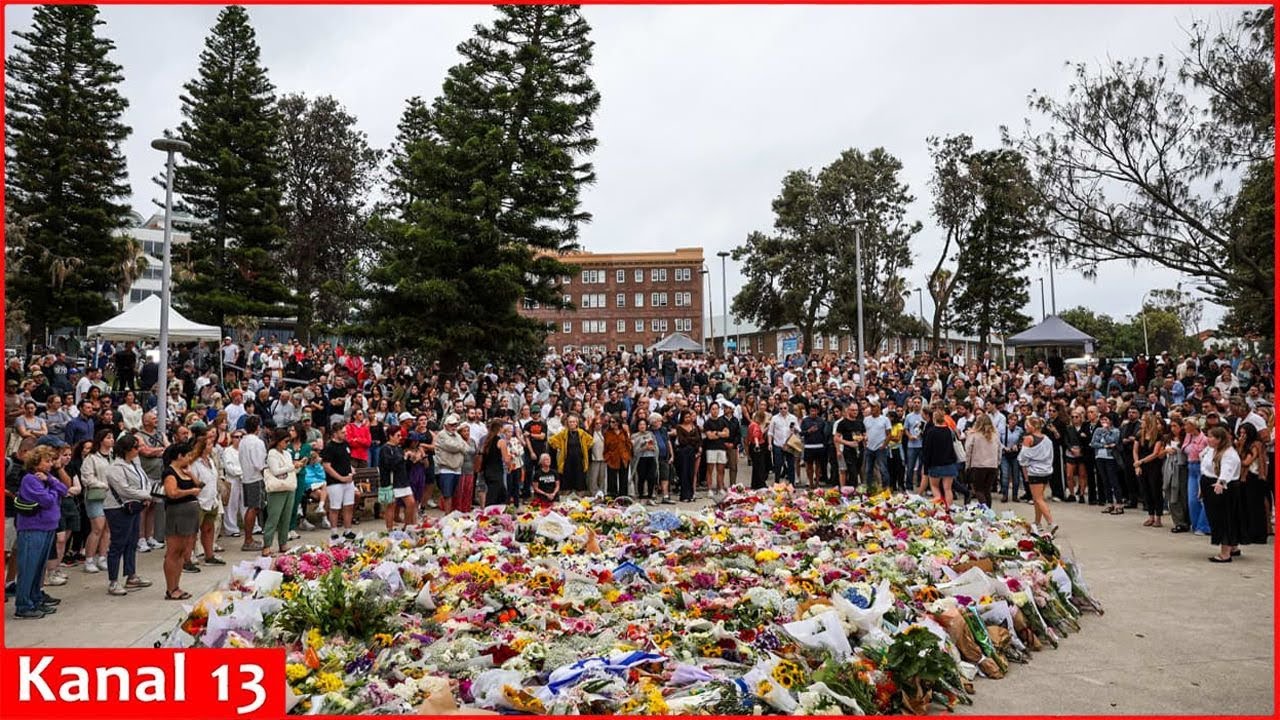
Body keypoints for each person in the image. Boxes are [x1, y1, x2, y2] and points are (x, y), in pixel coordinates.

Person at [12, 445, 67, 619]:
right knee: (29, 568)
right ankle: (23, 605)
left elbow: (64, 490)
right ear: (36, 463)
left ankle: (35, 599)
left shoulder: (46, 478)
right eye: (47, 461)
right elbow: (47, 500)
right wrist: (53, 488)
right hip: (33, 528)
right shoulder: (30, 479)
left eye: (51, 461)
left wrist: (50, 481)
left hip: (47, 527)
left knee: (38, 568)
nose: (51, 464)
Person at [102, 433, 154, 596]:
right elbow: (123, 489)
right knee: (118, 543)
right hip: (117, 508)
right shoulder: (115, 468)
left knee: (132, 541)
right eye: (136, 447)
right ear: (126, 449)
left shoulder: (135, 464)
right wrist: (145, 495)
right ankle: (113, 580)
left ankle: (131, 574)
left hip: (134, 506)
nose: (139, 450)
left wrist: (145, 494)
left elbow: (144, 481)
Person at [161, 438, 204, 599]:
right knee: (174, 551)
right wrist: (190, 492)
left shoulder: (184, 471)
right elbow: (172, 493)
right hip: (177, 513)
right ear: (179, 456)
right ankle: (171, 588)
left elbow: (199, 485)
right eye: (187, 455)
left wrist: (191, 475)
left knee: (182, 552)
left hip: (189, 513)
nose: (189, 459)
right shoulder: (170, 473)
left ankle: (176, 585)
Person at [1201, 426, 1242, 563]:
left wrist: (1220, 482)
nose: (1208, 439)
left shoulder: (1229, 453)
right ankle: (1233, 547)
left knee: (1224, 519)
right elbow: (1204, 466)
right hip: (1209, 484)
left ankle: (1225, 553)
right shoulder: (1211, 449)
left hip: (1222, 487)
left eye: (1211, 437)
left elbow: (1227, 470)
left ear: (1219, 439)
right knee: (1218, 518)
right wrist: (1202, 487)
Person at [78, 429, 115, 574]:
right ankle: (89, 559)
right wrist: (102, 485)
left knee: (108, 528)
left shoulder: (113, 456)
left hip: (111, 497)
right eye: (108, 437)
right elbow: (87, 478)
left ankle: (102, 557)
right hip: (96, 495)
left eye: (112, 437)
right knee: (97, 528)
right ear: (101, 440)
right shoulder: (91, 458)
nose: (111, 440)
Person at [191, 429, 225, 566]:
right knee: (193, 531)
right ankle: (190, 555)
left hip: (212, 499)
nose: (212, 447)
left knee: (209, 528)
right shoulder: (195, 463)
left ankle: (209, 555)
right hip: (200, 500)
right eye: (210, 445)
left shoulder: (210, 461)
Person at [261, 428, 298, 556]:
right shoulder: (272, 453)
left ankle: (283, 543)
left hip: (289, 486)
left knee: (286, 517)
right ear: (278, 441)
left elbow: (289, 470)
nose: (287, 444)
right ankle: (267, 544)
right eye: (286, 441)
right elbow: (276, 471)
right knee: (274, 517)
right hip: (276, 489)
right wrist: (293, 466)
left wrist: (297, 466)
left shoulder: (287, 454)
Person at [1018, 416, 1056, 534]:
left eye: (1027, 425)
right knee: (1037, 498)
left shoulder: (1028, 439)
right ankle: (1037, 522)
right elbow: (1050, 455)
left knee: (1038, 499)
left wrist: (1025, 468)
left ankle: (1051, 522)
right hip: (1046, 471)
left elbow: (1023, 456)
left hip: (1035, 472)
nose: (1025, 427)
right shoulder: (1047, 439)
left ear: (1033, 427)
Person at [321, 421, 357, 540]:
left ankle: (348, 530)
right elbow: (327, 466)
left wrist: (351, 469)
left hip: (348, 480)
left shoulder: (345, 444)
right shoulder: (329, 447)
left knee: (349, 506)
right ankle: (334, 532)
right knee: (335, 507)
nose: (345, 434)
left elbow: (346, 460)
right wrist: (340, 478)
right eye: (342, 432)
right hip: (335, 482)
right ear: (335, 433)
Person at [237, 415, 267, 552]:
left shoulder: (243, 441)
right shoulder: (257, 442)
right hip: (255, 478)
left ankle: (249, 538)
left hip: (247, 476)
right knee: (253, 508)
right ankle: (248, 540)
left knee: (252, 508)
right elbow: (259, 463)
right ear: (257, 428)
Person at [1236, 423, 1268, 545]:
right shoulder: (1244, 445)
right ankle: (1248, 532)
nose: (1242, 436)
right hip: (1244, 478)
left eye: (1244, 433)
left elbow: (1246, 462)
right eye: (1240, 433)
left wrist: (1240, 448)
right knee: (1245, 506)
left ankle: (1258, 534)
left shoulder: (1255, 445)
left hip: (1253, 478)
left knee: (1255, 507)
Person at [921, 410, 960, 509]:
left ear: (934, 419)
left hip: (935, 464)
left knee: (935, 487)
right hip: (949, 463)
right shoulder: (949, 431)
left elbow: (927, 450)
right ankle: (949, 508)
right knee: (948, 489)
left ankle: (939, 505)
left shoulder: (931, 432)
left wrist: (926, 466)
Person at [1133, 413, 1166, 528]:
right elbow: (1135, 450)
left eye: (1143, 420)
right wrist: (1137, 464)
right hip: (1142, 465)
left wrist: (1141, 462)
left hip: (1153, 466)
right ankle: (1151, 515)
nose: (1141, 422)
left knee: (1155, 491)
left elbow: (1155, 453)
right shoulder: (1139, 434)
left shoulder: (1158, 436)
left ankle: (1158, 517)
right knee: (1145, 490)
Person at [548, 414, 592, 496]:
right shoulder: (563, 433)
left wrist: (585, 448)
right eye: (570, 422)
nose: (572, 423)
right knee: (567, 477)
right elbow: (551, 440)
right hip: (567, 459)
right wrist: (559, 446)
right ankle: (566, 496)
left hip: (579, 459)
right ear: (567, 423)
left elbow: (591, 441)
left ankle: (579, 496)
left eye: (573, 422)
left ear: (577, 423)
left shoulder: (582, 433)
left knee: (579, 477)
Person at [380, 429, 415, 529]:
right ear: (391, 436)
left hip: (402, 480)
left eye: (400, 436)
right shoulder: (385, 449)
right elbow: (389, 464)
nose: (400, 438)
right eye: (398, 435)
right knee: (391, 506)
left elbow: (404, 464)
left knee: (411, 503)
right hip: (391, 481)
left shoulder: (398, 448)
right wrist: (403, 458)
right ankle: (389, 530)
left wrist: (410, 459)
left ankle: (407, 526)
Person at [963, 414, 1000, 507]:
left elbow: (968, 451)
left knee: (978, 490)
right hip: (992, 465)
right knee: (987, 490)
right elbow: (999, 450)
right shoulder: (995, 436)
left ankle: (985, 509)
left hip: (978, 465)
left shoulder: (973, 435)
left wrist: (967, 465)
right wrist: (997, 463)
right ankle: (989, 510)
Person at [432, 414, 467, 514]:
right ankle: (447, 514)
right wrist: (460, 447)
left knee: (454, 493)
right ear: (446, 425)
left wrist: (459, 447)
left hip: (457, 468)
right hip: (446, 468)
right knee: (447, 494)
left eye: (455, 425)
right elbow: (452, 446)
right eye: (451, 425)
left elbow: (466, 448)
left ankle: (452, 514)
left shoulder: (457, 435)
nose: (454, 427)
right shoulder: (442, 435)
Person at [1182, 418, 1211, 535]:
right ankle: (1195, 524)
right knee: (1192, 499)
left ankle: (1203, 526)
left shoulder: (1204, 439)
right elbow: (1184, 448)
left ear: (1194, 426)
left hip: (1201, 467)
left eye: (1187, 425)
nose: (1185, 427)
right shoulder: (1188, 437)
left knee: (1203, 498)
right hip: (1191, 467)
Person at [1091, 414, 1124, 515]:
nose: (1103, 422)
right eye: (1102, 420)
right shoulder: (1098, 430)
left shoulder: (1115, 431)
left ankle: (1119, 504)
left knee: (1113, 480)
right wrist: (1105, 446)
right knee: (1105, 481)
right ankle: (1110, 503)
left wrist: (1106, 432)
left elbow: (1113, 441)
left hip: (1110, 458)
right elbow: (1093, 443)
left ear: (1110, 421)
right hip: (1099, 457)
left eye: (1105, 419)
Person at [862, 401, 892, 492]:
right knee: (868, 470)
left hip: (880, 448)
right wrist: (865, 443)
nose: (872, 408)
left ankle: (886, 489)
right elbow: (864, 432)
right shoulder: (866, 419)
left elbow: (889, 434)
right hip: (869, 448)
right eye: (871, 407)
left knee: (883, 469)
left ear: (878, 408)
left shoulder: (885, 419)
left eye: (874, 406)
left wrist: (884, 445)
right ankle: (869, 489)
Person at [701, 403, 730, 497]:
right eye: (713, 409)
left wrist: (716, 433)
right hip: (711, 448)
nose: (715, 411)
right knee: (710, 469)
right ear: (710, 410)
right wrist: (720, 434)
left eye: (716, 409)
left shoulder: (723, 421)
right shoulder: (707, 423)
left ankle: (720, 488)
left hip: (721, 447)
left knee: (721, 469)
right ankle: (710, 489)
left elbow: (727, 434)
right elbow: (710, 436)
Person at [674, 410, 702, 502]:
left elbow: (698, 439)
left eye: (689, 417)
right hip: (683, 453)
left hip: (692, 452)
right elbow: (682, 441)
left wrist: (690, 440)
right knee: (684, 473)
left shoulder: (695, 427)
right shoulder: (679, 427)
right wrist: (692, 440)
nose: (688, 419)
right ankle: (684, 495)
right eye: (686, 417)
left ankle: (691, 494)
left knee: (691, 473)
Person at [602, 415, 633, 499]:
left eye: (614, 422)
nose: (612, 424)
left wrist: (628, 455)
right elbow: (606, 447)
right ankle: (612, 496)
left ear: (618, 422)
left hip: (623, 458)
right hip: (612, 458)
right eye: (610, 422)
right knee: (612, 479)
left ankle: (623, 496)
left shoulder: (623, 432)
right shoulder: (608, 433)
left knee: (623, 478)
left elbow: (628, 444)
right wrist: (607, 457)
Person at [747, 410, 770, 491]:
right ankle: (760, 484)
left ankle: (755, 484)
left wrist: (766, 428)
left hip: (752, 446)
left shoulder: (752, 424)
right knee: (760, 466)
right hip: (758, 446)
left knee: (756, 466)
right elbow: (756, 435)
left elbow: (759, 433)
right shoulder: (756, 426)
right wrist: (757, 445)